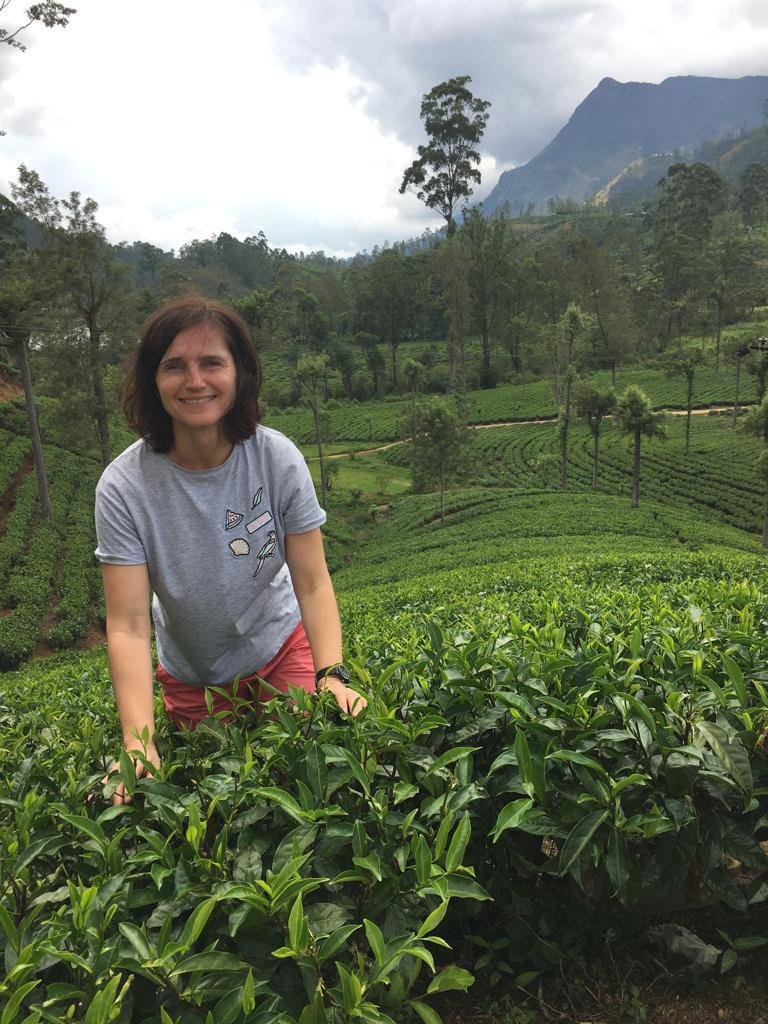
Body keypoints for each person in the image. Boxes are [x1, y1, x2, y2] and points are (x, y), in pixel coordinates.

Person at [95, 296, 365, 803]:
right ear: (153, 380)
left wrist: (332, 673)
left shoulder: (277, 459)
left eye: (212, 363)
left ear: (239, 373)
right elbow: (128, 625)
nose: (194, 381)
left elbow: (311, 580)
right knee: (215, 799)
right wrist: (138, 745)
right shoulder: (123, 487)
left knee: (313, 778)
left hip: (280, 650)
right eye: (174, 365)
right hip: (194, 677)